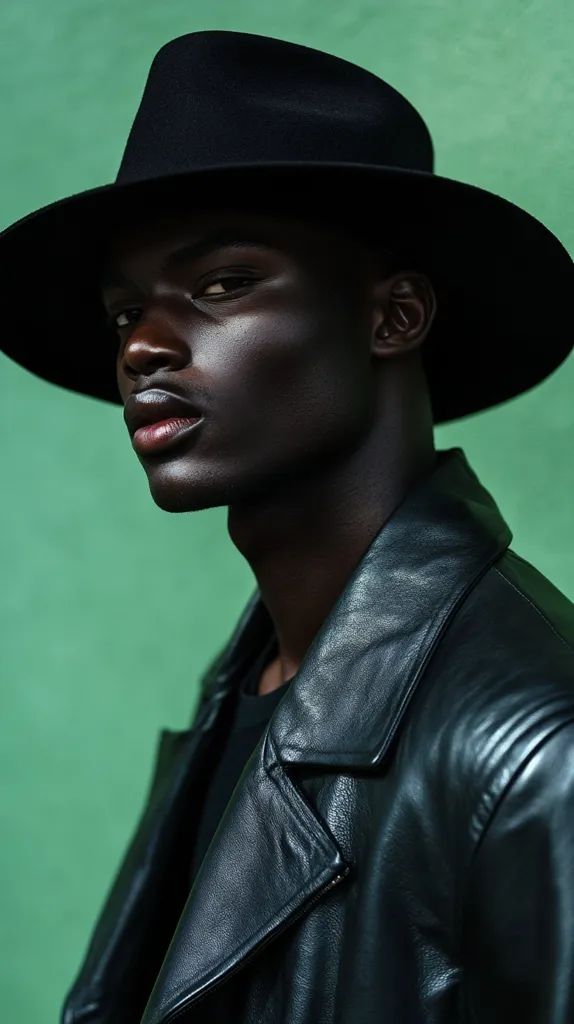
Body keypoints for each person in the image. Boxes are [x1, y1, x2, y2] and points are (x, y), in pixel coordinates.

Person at [2, 29, 574, 1024]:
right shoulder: (250, 685)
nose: (141, 345)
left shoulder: (530, 748)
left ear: (392, 318)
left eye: (222, 283)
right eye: (123, 310)